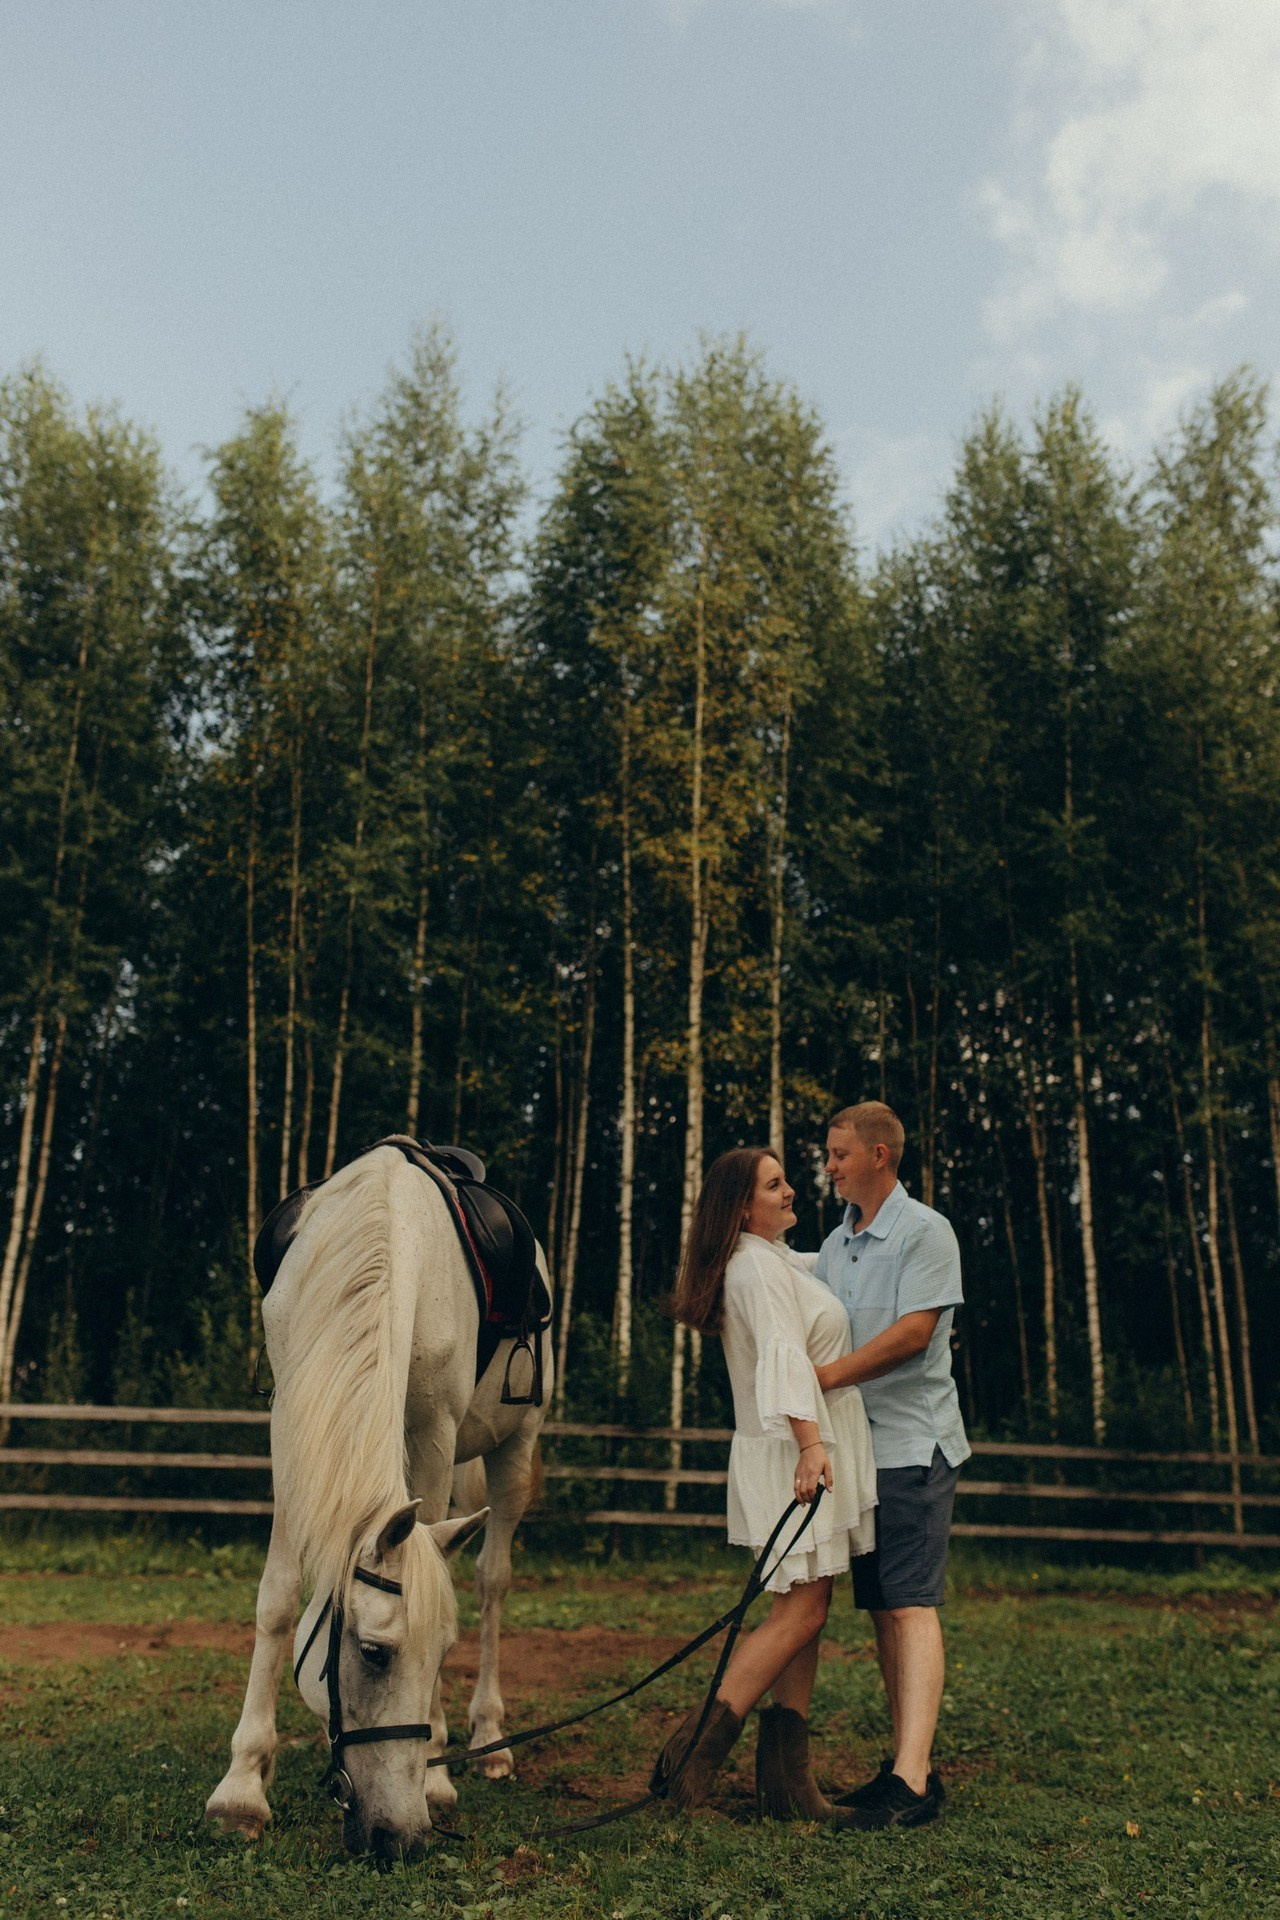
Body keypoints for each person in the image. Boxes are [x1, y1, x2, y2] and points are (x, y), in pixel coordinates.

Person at [650, 1145, 877, 1821]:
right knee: (798, 1613)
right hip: (793, 1452)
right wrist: (811, 1448)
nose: (790, 1193)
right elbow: (785, 1359)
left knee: (807, 1612)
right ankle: (686, 1761)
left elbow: (838, 1266)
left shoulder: (774, 1260)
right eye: (774, 1186)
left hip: (799, 1446)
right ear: (741, 1207)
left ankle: (788, 1786)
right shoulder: (753, 1269)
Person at [811, 1101, 969, 1831]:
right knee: (882, 1609)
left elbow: (913, 1335)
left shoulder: (926, 1232)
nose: (830, 1164)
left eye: (840, 1153)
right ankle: (910, 1767)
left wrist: (826, 1378)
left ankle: (910, 1785)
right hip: (863, 1452)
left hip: (914, 1446)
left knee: (911, 1605)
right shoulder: (836, 1242)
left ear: (880, 1155)